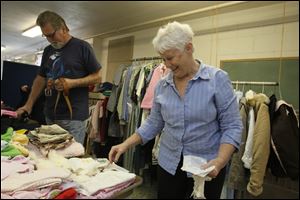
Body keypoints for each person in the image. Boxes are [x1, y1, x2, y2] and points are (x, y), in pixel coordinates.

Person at [108, 21, 243, 199]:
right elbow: (154, 122)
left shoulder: (217, 79)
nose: (167, 64)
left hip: (205, 168)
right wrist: (125, 144)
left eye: (170, 58)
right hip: (169, 164)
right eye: (163, 59)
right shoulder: (163, 84)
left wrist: (219, 161)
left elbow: (232, 126)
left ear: (189, 48)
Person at [16, 11, 102, 145]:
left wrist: (72, 83)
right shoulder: (47, 50)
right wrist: (28, 104)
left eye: (51, 35)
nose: (50, 40)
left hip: (74, 118)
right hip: (50, 115)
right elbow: (40, 78)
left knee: (70, 160)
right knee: (50, 156)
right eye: (46, 36)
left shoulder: (82, 47)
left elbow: (97, 77)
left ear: (63, 28)